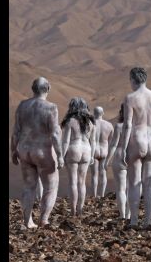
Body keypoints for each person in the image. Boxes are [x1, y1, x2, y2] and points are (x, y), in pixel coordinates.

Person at [11, 77, 64, 228]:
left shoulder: (22, 106)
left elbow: (16, 132)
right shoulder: (51, 107)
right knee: (51, 186)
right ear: (48, 88)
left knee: (29, 187)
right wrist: (60, 155)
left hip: (25, 151)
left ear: (32, 89)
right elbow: (55, 134)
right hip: (43, 152)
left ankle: (27, 221)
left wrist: (13, 151)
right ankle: (44, 219)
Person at [121, 67, 151, 228]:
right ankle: (147, 219)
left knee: (134, 182)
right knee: (149, 183)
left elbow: (127, 125)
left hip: (137, 139)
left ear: (133, 79)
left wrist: (124, 148)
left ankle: (133, 220)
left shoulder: (130, 98)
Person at [61, 98, 95, 216]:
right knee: (82, 182)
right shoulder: (91, 122)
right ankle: (80, 209)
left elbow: (65, 142)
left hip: (73, 149)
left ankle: (73, 211)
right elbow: (93, 141)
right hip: (87, 150)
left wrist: (61, 156)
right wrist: (92, 156)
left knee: (73, 182)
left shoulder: (70, 121)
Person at [106, 104, 129, 219]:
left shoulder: (119, 126)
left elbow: (113, 145)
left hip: (119, 157)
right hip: (134, 157)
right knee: (132, 188)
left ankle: (123, 215)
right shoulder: (137, 126)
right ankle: (130, 215)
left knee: (121, 189)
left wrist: (107, 160)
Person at [90, 106, 114, 199]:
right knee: (103, 173)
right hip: (104, 151)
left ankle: (94, 195)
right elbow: (112, 142)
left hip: (94, 150)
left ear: (93, 113)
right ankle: (102, 194)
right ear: (103, 113)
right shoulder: (109, 125)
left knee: (94, 174)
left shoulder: (91, 124)